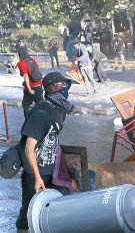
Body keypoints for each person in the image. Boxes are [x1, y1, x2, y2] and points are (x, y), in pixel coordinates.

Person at [15, 71, 74, 233]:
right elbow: (29, 148)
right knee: (27, 214)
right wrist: (37, 178)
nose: (67, 93)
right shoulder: (40, 114)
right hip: (35, 172)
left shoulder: (59, 109)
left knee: (51, 210)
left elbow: (52, 138)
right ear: (55, 89)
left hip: (51, 169)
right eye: (63, 88)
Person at [17, 46, 44, 117]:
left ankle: (28, 122)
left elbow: (25, 76)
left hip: (31, 88)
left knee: (26, 105)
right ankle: (41, 121)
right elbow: (37, 72)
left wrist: (29, 88)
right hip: (39, 86)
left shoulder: (21, 63)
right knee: (41, 105)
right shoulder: (33, 60)